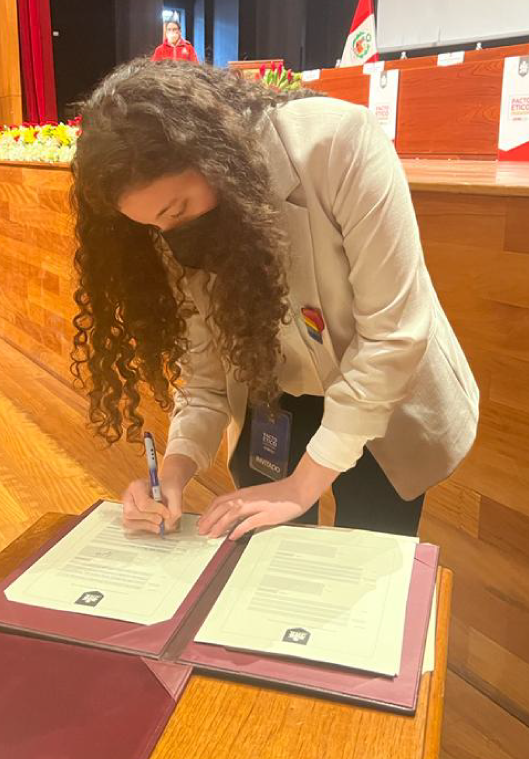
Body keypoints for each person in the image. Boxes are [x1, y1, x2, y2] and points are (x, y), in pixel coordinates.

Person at [70, 59, 479, 542]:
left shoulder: (340, 143)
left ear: (212, 156)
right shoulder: (172, 223)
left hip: (384, 395)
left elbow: (393, 337)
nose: (171, 235)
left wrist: (303, 485)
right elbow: (205, 379)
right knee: (266, 559)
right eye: (154, 226)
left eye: (177, 210)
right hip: (272, 393)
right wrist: (175, 471)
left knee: (372, 547)